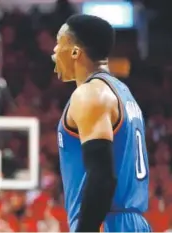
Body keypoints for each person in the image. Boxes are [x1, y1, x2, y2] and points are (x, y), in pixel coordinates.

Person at [53, 14, 151, 232]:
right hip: (134, 223)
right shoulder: (123, 93)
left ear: (75, 52)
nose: (54, 52)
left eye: (59, 43)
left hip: (107, 224)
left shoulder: (90, 94)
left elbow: (102, 179)